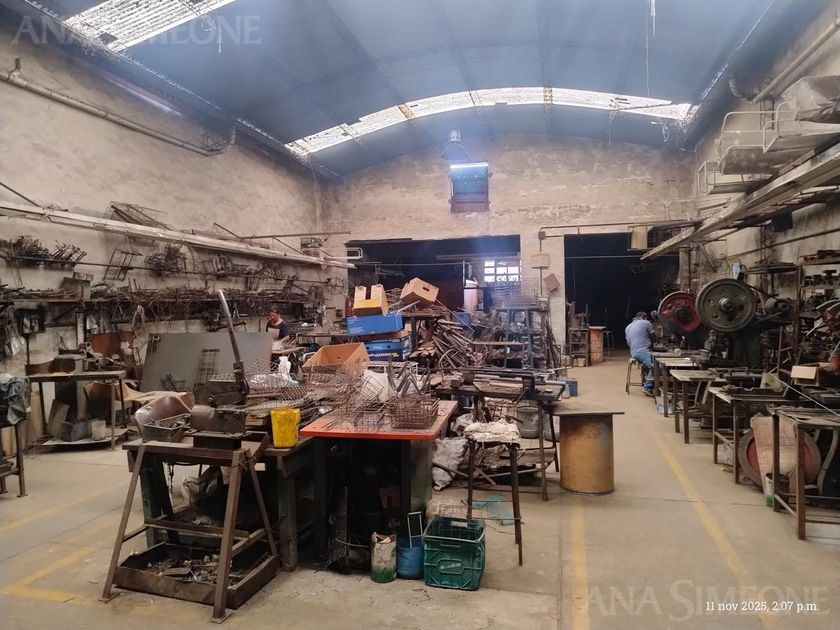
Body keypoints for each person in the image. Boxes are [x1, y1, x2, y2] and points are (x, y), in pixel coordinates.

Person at [625, 311, 656, 396]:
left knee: (648, 364)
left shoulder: (628, 326)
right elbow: (653, 338)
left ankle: (648, 382)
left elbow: (628, 343)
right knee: (656, 366)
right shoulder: (646, 322)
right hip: (642, 351)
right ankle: (647, 387)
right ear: (644, 317)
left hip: (633, 352)